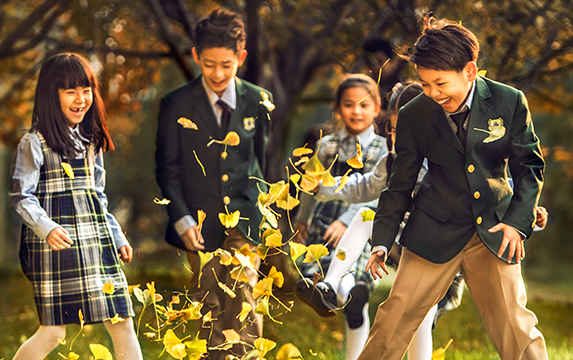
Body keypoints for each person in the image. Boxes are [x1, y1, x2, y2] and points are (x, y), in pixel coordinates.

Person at [358, 17, 547, 360]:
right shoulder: (415, 114)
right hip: (432, 229)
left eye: (440, 83)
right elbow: (400, 184)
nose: (432, 93)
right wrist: (381, 242)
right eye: (425, 84)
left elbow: (528, 167)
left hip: (493, 228)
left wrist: (518, 222)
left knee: (516, 327)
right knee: (392, 320)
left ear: (470, 71)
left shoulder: (510, 102)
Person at [155, 9, 272, 360]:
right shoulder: (175, 104)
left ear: (241, 57)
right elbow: (167, 168)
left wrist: (262, 211)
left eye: (226, 64)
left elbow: (261, 161)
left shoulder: (258, 100)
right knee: (209, 300)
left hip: (246, 217)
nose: (217, 74)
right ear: (195, 57)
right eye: (208, 65)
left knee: (243, 296)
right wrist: (182, 217)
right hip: (199, 220)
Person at [9, 53, 142, 360]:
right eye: (70, 91)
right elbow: (21, 195)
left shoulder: (91, 141)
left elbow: (98, 196)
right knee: (54, 333)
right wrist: (47, 227)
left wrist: (116, 234)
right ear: (50, 95)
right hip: (57, 245)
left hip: (95, 240)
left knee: (122, 321)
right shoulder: (35, 142)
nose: (81, 99)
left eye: (86, 90)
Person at [293, 74, 388, 360]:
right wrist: (302, 218)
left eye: (363, 104)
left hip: (361, 225)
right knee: (328, 275)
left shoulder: (383, 148)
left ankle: (348, 295)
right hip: (324, 222)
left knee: (345, 274)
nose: (356, 111)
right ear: (337, 108)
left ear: (376, 109)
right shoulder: (326, 146)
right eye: (348, 104)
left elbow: (377, 192)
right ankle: (348, 294)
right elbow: (312, 185)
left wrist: (346, 221)